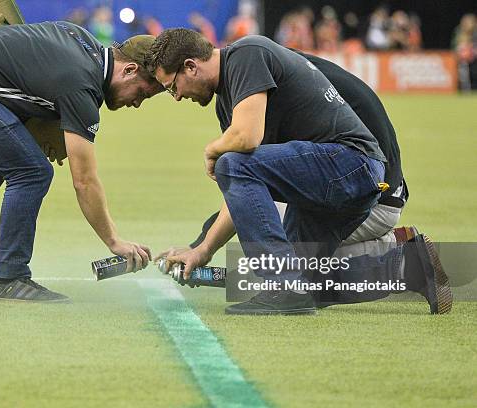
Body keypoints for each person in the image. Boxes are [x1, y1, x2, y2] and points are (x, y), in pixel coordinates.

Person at [146, 28, 451, 315]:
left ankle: (281, 286)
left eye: (173, 85)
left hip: (350, 165)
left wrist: (212, 150)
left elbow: (245, 143)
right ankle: (407, 266)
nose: (175, 96)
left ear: (191, 66)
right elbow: (242, 194)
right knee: (303, 283)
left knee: (232, 164)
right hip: (330, 183)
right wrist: (203, 250)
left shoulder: (245, 54)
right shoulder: (229, 102)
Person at [0, 22, 163, 302]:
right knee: (32, 172)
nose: (137, 103)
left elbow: (24, 69)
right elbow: (84, 180)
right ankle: (9, 277)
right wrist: (114, 241)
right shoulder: (82, 84)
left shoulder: (80, 37)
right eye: (142, 93)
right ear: (129, 70)